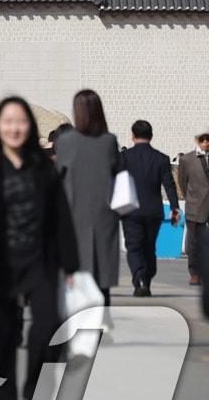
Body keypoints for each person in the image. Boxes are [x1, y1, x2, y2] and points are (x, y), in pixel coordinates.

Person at [0, 97, 80, 400]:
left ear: (29, 127)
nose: (14, 128)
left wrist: (71, 266)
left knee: (49, 328)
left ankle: (38, 396)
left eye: (20, 122)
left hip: (39, 261)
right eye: (8, 122)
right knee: (0, 339)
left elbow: (62, 219)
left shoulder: (44, 167)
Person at [55, 90, 122, 303]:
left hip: (73, 216)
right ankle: (100, 324)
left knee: (75, 277)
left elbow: (58, 179)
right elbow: (117, 173)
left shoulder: (66, 142)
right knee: (102, 279)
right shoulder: (109, 142)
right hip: (104, 216)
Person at [121, 120, 180, 296]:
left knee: (134, 246)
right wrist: (175, 207)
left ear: (132, 136)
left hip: (130, 210)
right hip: (153, 211)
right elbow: (170, 185)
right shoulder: (161, 158)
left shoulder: (124, 157)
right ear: (151, 136)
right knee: (149, 246)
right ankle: (146, 279)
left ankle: (140, 279)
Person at [177, 133, 209, 286]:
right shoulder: (187, 160)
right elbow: (182, 183)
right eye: (204, 140)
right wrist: (191, 198)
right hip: (195, 205)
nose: (206, 143)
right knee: (194, 241)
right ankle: (194, 273)